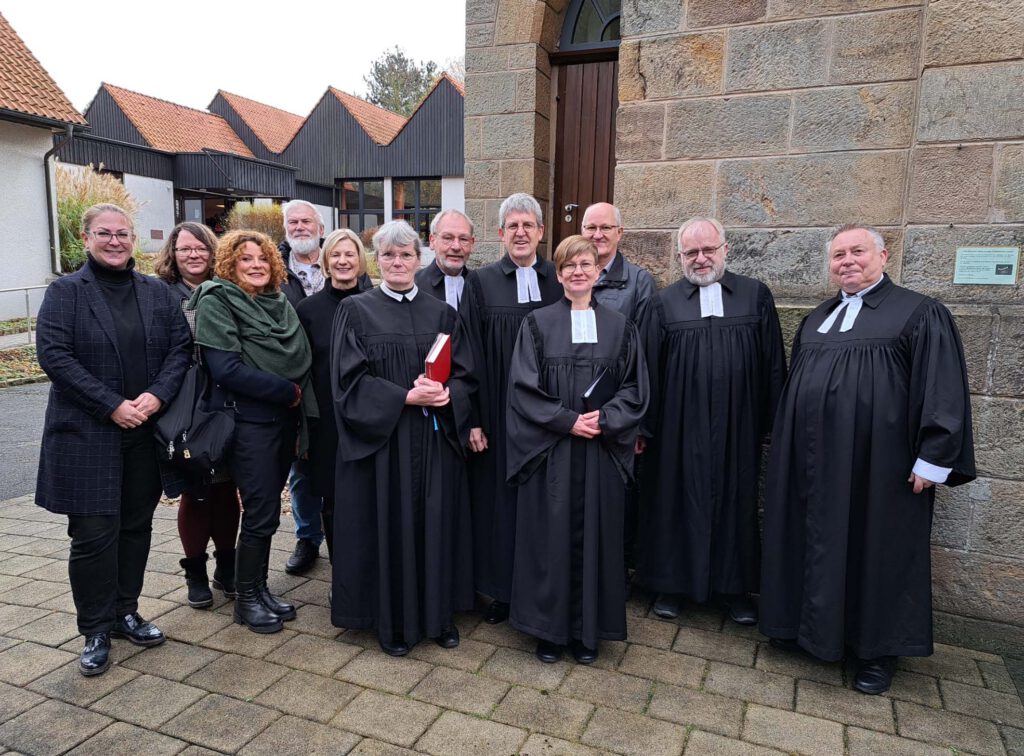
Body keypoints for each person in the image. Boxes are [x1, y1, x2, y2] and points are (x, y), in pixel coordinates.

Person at [759, 223, 975, 695]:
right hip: (813, 463)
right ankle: (809, 630)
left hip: (880, 465)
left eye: (858, 251)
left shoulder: (919, 313)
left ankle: (876, 651)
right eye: (838, 255)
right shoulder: (819, 316)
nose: (847, 261)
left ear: (884, 256)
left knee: (877, 548)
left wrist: (933, 457)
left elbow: (942, 389)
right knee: (815, 541)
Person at [35, 203, 191, 676]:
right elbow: (55, 357)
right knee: (92, 536)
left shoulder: (156, 293)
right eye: (104, 233)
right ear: (86, 239)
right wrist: (112, 404)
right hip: (88, 435)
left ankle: (126, 610)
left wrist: (155, 397)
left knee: (135, 527)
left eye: (123, 233)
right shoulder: (65, 293)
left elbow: (179, 349)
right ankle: (95, 629)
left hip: (144, 433)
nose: (115, 241)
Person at [330, 220, 476, 656]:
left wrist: (449, 395)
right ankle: (391, 623)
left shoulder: (442, 313)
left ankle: (439, 616)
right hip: (385, 446)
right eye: (389, 255)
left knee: (436, 526)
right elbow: (347, 383)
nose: (397, 262)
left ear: (420, 259)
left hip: (434, 444)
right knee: (390, 528)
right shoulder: (356, 311)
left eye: (406, 254)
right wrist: (404, 396)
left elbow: (468, 374)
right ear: (378, 260)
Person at [636, 217, 786, 625]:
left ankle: (733, 588)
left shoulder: (755, 296)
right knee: (674, 500)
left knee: (736, 500)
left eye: (708, 250)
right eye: (691, 252)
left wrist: (776, 421)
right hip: (677, 427)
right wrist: (643, 427)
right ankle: (672, 585)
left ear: (725, 249)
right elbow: (647, 367)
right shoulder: (663, 303)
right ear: (680, 256)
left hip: (739, 424)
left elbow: (773, 361)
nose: (701, 259)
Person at [507, 235, 648, 664]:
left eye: (585, 263)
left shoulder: (621, 326)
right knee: (549, 539)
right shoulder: (536, 323)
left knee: (598, 539)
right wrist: (568, 421)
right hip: (553, 452)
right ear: (560, 273)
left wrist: (603, 420)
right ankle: (549, 632)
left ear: (597, 269)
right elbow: (522, 388)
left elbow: (634, 387)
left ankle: (590, 632)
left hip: (601, 452)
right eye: (569, 266)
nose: (578, 272)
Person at [190, 230, 316, 634]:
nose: (256, 265)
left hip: (282, 423)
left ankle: (259, 590)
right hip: (248, 424)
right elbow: (226, 369)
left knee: (265, 515)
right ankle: (245, 600)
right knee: (261, 512)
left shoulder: (278, 303)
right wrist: (287, 390)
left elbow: (297, 353)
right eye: (245, 259)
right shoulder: (217, 300)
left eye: (262, 258)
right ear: (230, 264)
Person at [465, 193, 562, 624]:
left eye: (529, 225)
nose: (521, 233)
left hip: (546, 417)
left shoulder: (559, 280)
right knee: (501, 504)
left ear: (541, 232)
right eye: (512, 227)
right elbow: (468, 354)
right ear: (500, 234)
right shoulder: (481, 282)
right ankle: (503, 590)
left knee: (542, 503)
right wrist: (474, 420)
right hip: (498, 416)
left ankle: (541, 588)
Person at [154, 222, 241, 608]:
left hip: (225, 401)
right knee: (195, 489)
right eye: (185, 249)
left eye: (201, 248)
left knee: (226, 488)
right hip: (183, 405)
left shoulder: (227, 290)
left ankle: (227, 565)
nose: (193, 255)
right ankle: (195, 572)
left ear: (212, 251)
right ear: (173, 253)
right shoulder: (160, 294)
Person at [295, 228, 372, 563]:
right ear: (326, 262)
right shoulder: (308, 310)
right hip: (325, 420)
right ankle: (342, 571)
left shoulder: (375, 306)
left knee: (368, 494)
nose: (343, 261)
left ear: (361, 261)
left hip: (369, 419)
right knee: (333, 497)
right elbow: (302, 370)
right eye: (336, 255)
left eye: (350, 254)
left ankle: (369, 567)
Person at [416, 209, 486, 454]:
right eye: (447, 238)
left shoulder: (483, 286)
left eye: (463, 239)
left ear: (472, 244)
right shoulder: (415, 287)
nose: (456, 246)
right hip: (428, 410)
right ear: (432, 241)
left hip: (473, 404)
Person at [581, 202, 656, 321]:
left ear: (619, 233)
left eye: (606, 228)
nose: (598, 235)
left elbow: (644, 337)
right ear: (582, 231)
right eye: (591, 227)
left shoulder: (640, 282)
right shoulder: (567, 275)